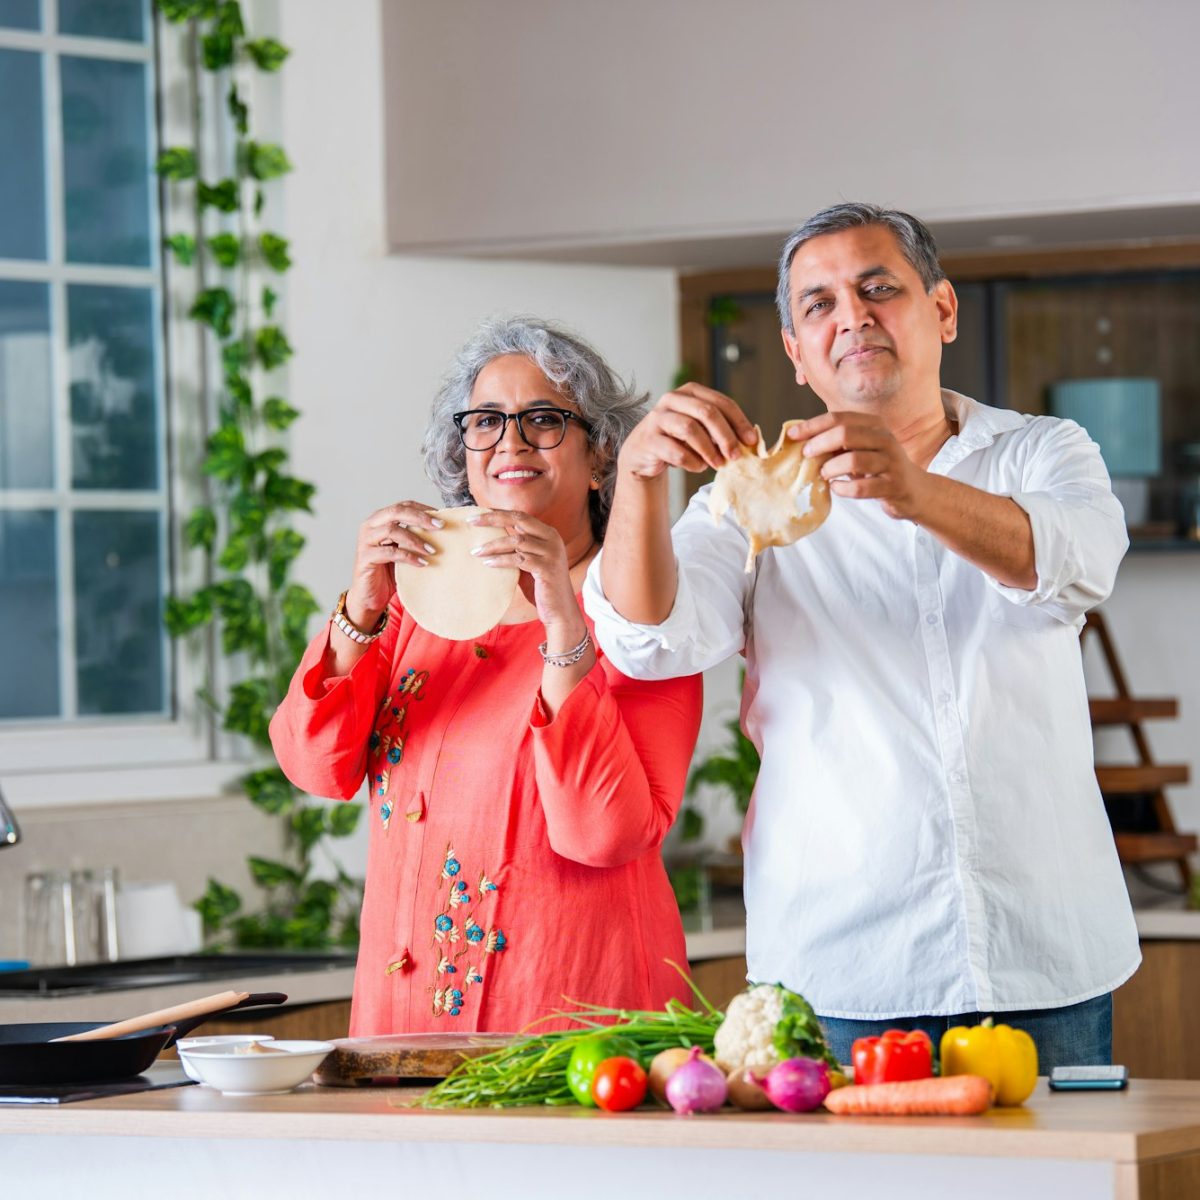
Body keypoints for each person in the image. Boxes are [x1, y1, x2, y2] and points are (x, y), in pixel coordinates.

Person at [584, 203, 1140, 1069]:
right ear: (797, 352)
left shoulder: (1043, 452)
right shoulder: (744, 497)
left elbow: (1079, 563)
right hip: (843, 969)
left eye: (879, 288)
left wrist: (911, 490)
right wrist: (639, 479)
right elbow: (647, 640)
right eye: (820, 305)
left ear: (943, 311)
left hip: (1046, 950)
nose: (853, 315)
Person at [271, 317, 702, 1035]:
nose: (510, 443)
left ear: (601, 456)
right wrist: (362, 610)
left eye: (543, 419)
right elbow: (316, 768)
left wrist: (564, 625)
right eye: (485, 422)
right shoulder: (417, 605)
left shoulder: (644, 615)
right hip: (402, 1028)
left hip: (577, 1031)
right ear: (461, 452)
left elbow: (601, 834)